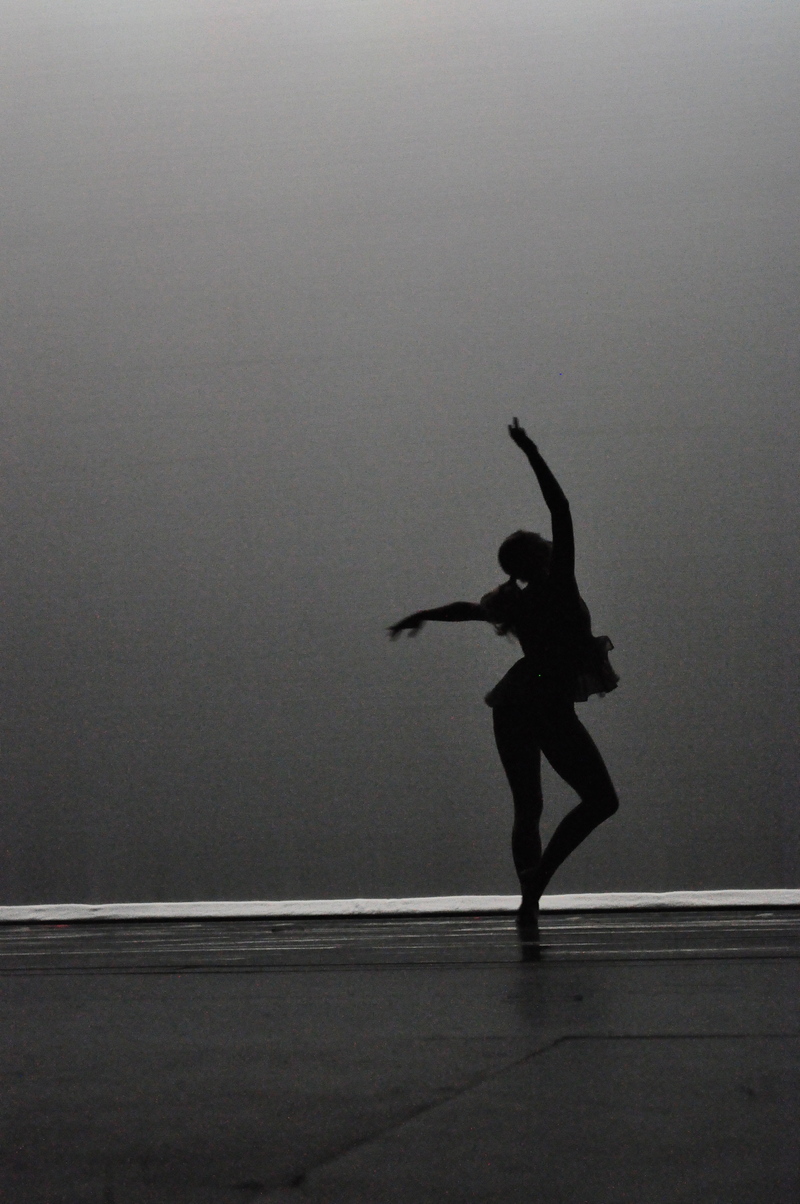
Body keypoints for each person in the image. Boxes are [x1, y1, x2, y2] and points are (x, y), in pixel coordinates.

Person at [388, 418, 619, 934]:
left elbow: (466, 609)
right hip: (544, 701)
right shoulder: (559, 584)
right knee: (601, 799)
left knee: (528, 806)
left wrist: (420, 615)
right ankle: (535, 887)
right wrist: (531, 450)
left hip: (516, 703)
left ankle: (528, 902)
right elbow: (561, 508)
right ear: (540, 556)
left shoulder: (517, 601)